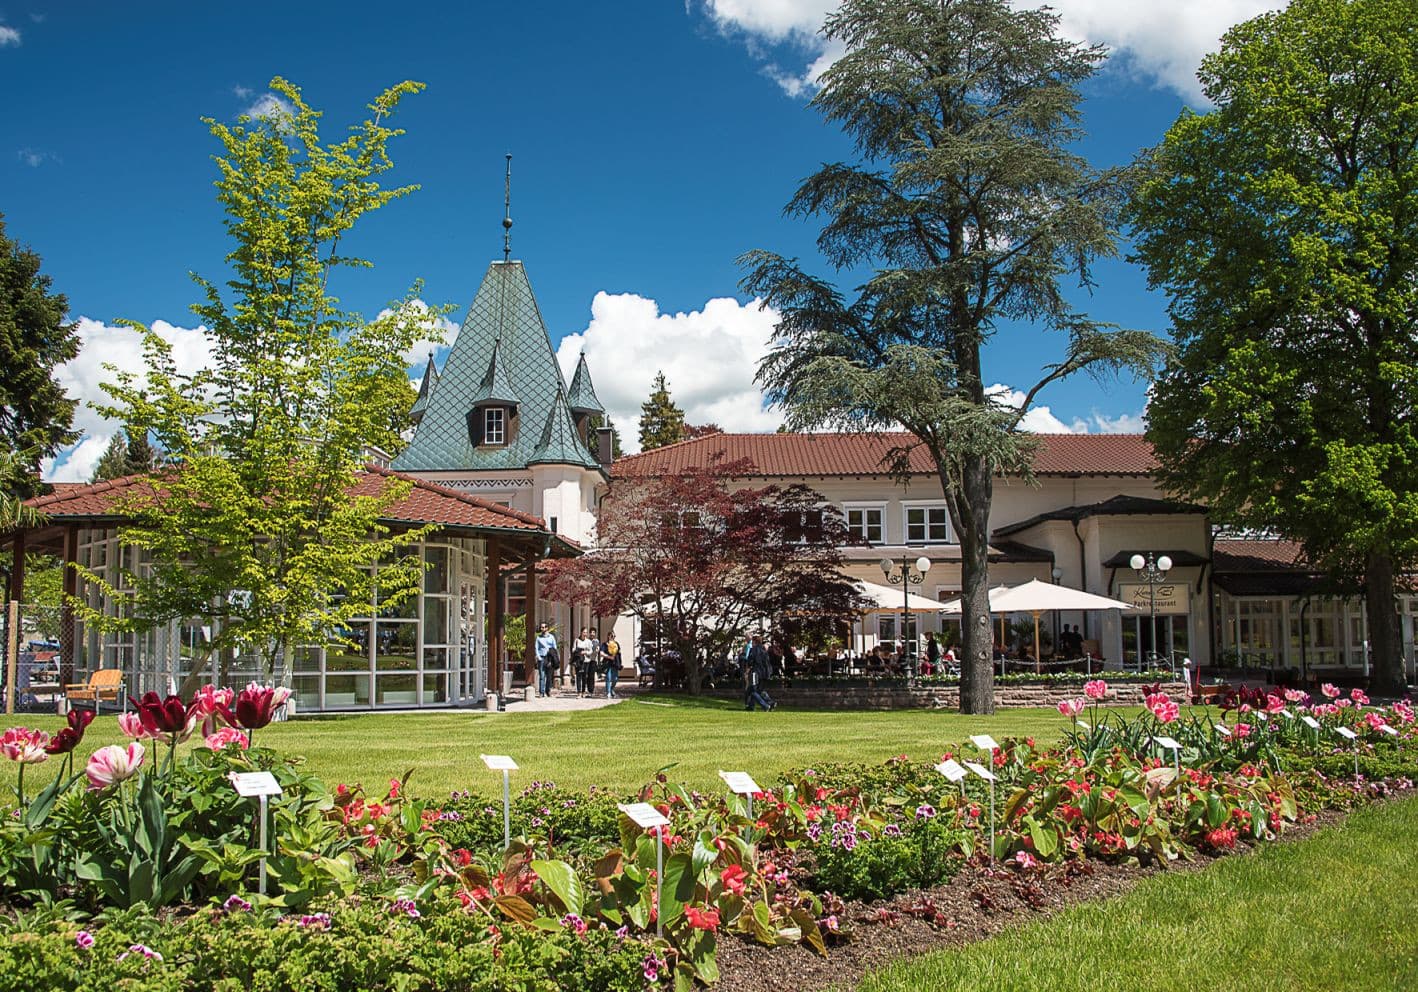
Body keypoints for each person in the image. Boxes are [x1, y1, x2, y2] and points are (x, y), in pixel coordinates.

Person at [742, 634, 775, 711]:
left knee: (752, 690)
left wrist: (747, 671)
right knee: (759, 690)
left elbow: (750, 662)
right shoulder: (764, 650)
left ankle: (765, 705)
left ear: (754, 641)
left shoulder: (753, 650)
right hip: (765, 673)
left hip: (756, 672)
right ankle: (752, 706)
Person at [534, 623, 558, 697]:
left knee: (549, 676)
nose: (543, 629)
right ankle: (541, 692)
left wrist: (552, 658)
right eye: (542, 627)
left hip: (549, 658)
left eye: (544, 627)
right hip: (542, 658)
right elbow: (536, 648)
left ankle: (548, 691)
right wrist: (539, 657)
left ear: (547, 628)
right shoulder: (538, 638)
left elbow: (555, 648)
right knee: (542, 676)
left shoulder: (551, 637)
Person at [573, 627, 594, 697]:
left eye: (586, 632)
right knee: (578, 676)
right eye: (584, 632)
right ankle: (579, 692)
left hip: (586, 661)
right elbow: (573, 649)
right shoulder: (577, 640)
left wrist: (585, 652)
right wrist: (578, 652)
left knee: (584, 677)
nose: (585, 634)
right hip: (578, 661)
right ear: (581, 632)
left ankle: (583, 691)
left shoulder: (588, 641)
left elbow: (591, 651)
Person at [601, 633, 622, 698]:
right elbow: (601, 653)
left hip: (615, 663)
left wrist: (619, 662)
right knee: (608, 678)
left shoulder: (616, 644)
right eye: (612, 636)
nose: (613, 637)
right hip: (607, 663)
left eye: (614, 636)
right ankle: (608, 693)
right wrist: (609, 657)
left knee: (615, 679)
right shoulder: (604, 644)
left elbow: (619, 653)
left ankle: (611, 689)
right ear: (608, 636)